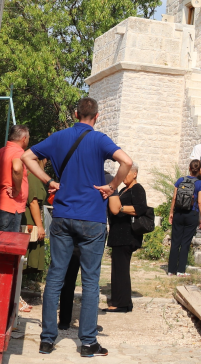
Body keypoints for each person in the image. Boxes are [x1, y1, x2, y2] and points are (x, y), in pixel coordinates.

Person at [22, 97, 133, 358]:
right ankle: (87, 342)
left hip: (62, 216)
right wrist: (112, 186)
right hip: (92, 218)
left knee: (55, 277)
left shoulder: (59, 137)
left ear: (75, 114)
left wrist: (49, 180)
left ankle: (47, 339)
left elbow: (27, 156)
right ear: (97, 116)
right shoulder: (99, 139)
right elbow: (126, 161)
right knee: (91, 281)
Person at [105, 163, 146, 312]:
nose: (123, 177)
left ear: (134, 174)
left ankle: (122, 304)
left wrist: (120, 208)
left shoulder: (137, 189)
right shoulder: (122, 190)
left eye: (126, 173)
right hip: (117, 235)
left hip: (127, 235)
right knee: (117, 269)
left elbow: (140, 208)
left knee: (121, 270)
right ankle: (117, 301)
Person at [0, 125, 31, 233]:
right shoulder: (18, 153)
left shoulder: (1, 151)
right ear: (24, 139)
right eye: (28, 138)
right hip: (10, 208)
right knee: (7, 246)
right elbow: (17, 169)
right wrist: (17, 189)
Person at [167, 160, 201, 276]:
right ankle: (180, 271)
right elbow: (200, 202)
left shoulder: (180, 180)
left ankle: (171, 270)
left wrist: (171, 212)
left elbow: (174, 198)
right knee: (185, 243)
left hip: (178, 213)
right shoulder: (200, 184)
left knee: (175, 242)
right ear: (199, 171)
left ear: (189, 168)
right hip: (192, 214)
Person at [23, 156, 48, 278]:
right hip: (29, 221)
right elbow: (33, 203)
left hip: (28, 218)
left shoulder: (27, 174)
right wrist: (40, 227)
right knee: (24, 259)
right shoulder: (32, 176)